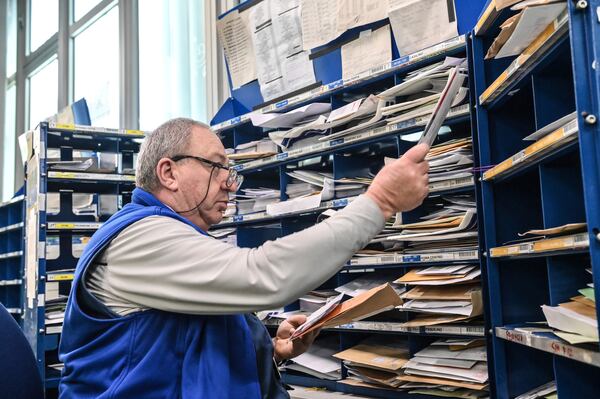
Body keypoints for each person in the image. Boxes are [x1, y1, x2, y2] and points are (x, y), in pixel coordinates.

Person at [59, 118, 429, 398]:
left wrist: (271, 352)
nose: (229, 183)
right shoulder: (139, 238)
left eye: (229, 171)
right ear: (168, 172)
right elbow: (264, 274)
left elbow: (188, 350)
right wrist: (380, 202)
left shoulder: (181, 239)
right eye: (216, 167)